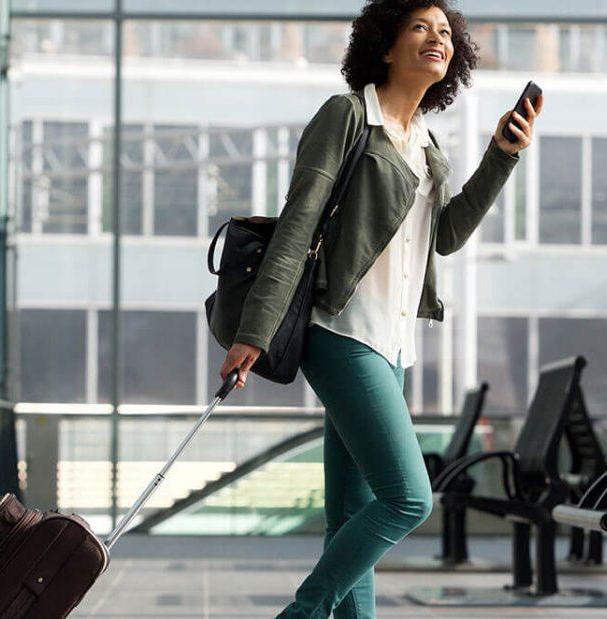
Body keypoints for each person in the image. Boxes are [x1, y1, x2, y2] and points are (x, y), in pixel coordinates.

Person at [217, 1, 542, 617]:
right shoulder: (347, 116)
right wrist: (252, 332)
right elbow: (296, 227)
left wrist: (501, 156)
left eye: (445, 32)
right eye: (419, 27)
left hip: (392, 346)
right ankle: (302, 612)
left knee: (350, 518)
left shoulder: (425, 143)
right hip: (341, 331)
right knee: (407, 499)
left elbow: (444, 236)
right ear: (385, 47)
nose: (436, 39)